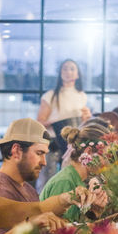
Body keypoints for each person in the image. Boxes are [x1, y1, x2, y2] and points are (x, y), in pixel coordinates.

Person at [37, 59, 91, 191]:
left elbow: (83, 124)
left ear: (77, 74)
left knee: (70, 178)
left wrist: (86, 118)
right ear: (60, 73)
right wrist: (55, 122)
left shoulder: (82, 96)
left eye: (72, 69)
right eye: (65, 68)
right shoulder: (50, 96)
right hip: (53, 143)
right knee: (47, 178)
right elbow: (39, 122)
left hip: (72, 145)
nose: (68, 72)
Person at [40, 123, 109, 224]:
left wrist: (94, 212)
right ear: (89, 152)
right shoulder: (65, 181)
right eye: (106, 156)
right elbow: (61, 233)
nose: (109, 163)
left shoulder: (78, 179)